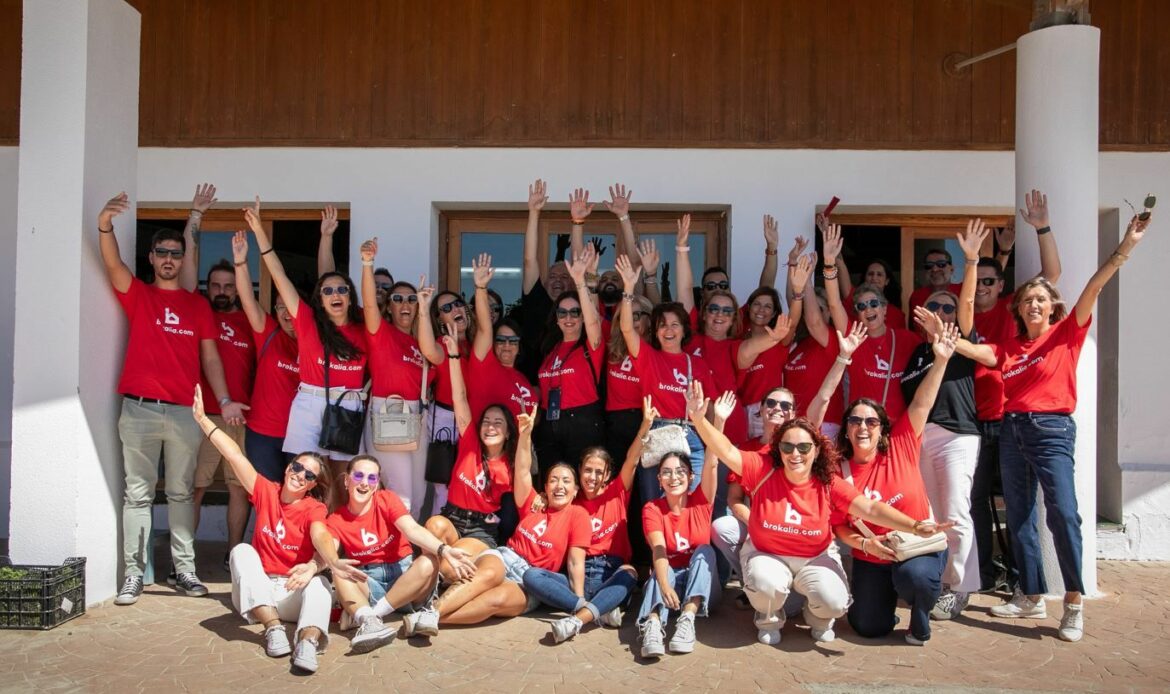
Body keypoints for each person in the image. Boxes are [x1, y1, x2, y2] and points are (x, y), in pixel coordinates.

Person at [955, 209, 1153, 643]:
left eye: (1041, 299)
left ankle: (1074, 603)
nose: (1034, 304)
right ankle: (1031, 595)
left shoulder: (1067, 333)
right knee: (1021, 516)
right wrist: (950, 334)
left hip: (1052, 430)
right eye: (1027, 300)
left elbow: (1094, 286)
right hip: (1012, 430)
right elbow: (975, 348)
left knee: (1064, 514)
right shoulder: (1008, 345)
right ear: (1020, 308)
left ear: (1052, 307)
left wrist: (1125, 247)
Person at [692, 380, 947, 646]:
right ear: (778, 449)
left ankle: (818, 618)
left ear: (816, 449)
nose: (795, 454)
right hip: (768, 554)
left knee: (834, 602)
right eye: (787, 447)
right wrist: (699, 420)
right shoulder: (763, 466)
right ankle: (769, 617)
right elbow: (726, 450)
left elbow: (870, 508)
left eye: (803, 448)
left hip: (814, 557)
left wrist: (915, 526)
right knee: (764, 585)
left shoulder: (828, 480)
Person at [98, 192, 246, 606]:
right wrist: (105, 224)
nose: (168, 258)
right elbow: (112, 264)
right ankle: (133, 574)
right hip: (139, 408)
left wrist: (225, 399)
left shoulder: (197, 305)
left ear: (182, 259)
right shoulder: (140, 295)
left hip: (184, 413)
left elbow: (211, 357)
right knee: (138, 495)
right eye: (161, 252)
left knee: (182, 493)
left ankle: (184, 570)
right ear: (152, 258)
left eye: (175, 253)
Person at [807, 320, 960, 646]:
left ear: (882, 428)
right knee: (867, 626)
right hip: (872, 556)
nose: (863, 427)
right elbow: (841, 527)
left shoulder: (903, 443)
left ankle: (920, 618)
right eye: (855, 421)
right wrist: (865, 545)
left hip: (917, 549)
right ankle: (885, 604)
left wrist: (942, 360)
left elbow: (921, 403)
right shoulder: (837, 470)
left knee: (914, 578)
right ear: (846, 428)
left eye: (871, 421)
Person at [192, 385, 336, 675]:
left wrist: (316, 565)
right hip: (257, 594)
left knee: (321, 586)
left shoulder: (313, 508)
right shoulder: (265, 491)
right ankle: (273, 630)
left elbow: (323, 535)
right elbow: (234, 455)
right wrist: (204, 420)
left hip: (292, 590)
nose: (299, 475)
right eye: (297, 467)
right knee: (242, 551)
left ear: (312, 486)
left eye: (309, 475)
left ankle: (307, 643)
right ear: (288, 467)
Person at [413, 403, 591, 630]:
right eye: (554, 480)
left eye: (566, 481)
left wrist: (578, 605)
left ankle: (428, 617)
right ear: (545, 487)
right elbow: (524, 469)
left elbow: (576, 561)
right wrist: (526, 434)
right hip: (506, 556)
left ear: (576, 490)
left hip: (530, 577)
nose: (559, 486)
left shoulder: (578, 515)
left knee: (494, 601)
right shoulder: (532, 505)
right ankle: (431, 612)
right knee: (485, 573)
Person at [963, 190, 1061, 592]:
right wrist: (972, 261)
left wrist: (1041, 227)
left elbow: (1050, 276)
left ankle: (1023, 581)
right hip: (973, 424)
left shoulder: (1010, 310)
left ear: (1001, 285)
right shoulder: (964, 311)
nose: (983, 287)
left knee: (1023, 508)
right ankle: (985, 577)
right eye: (977, 281)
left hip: (1011, 422)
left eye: (990, 281)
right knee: (975, 506)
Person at [245, 197, 368, 481]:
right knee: (304, 475)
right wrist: (259, 231)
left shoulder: (363, 324)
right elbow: (278, 275)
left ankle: (335, 527)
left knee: (341, 479)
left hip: (347, 404)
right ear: (318, 299)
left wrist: (335, 243)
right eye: (327, 292)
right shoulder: (308, 320)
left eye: (341, 290)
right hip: (309, 402)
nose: (334, 295)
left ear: (350, 296)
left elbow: (331, 277)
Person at [312, 455, 477, 653]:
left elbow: (411, 529)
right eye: (359, 476)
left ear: (376, 484)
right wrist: (315, 566)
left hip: (405, 578)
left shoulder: (386, 499)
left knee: (428, 562)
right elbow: (329, 549)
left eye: (372, 478)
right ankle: (369, 621)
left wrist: (445, 550)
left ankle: (373, 615)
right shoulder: (337, 518)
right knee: (340, 570)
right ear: (347, 480)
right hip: (369, 580)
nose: (365, 483)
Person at [524, 396, 655, 643]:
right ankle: (594, 610)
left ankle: (578, 618)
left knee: (630, 573)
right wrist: (543, 496)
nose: (592, 477)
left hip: (611, 571)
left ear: (607, 475)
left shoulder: (617, 492)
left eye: (598, 472)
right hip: (577, 573)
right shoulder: (571, 498)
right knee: (531, 575)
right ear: (580, 470)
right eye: (587, 470)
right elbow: (550, 495)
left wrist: (645, 424)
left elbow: (632, 459)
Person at [416, 333, 517, 622]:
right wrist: (453, 357)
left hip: (479, 530)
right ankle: (426, 596)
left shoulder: (509, 464)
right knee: (433, 524)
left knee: (450, 566)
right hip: (452, 518)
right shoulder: (470, 441)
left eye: (498, 422)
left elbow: (525, 483)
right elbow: (459, 397)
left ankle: (433, 608)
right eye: (487, 420)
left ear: (508, 431)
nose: (490, 426)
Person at [614, 254, 717, 505]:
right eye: (662, 325)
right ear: (655, 331)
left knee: (693, 503)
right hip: (657, 432)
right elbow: (627, 329)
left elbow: (710, 409)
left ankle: (688, 546)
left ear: (684, 330)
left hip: (692, 435)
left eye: (675, 325)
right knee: (654, 503)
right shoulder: (648, 357)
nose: (668, 330)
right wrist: (628, 288)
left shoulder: (697, 364)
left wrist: (713, 444)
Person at [635, 385, 720, 659]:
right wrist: (665, 583)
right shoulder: (652, 508)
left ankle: (687, 619)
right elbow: (658, 550)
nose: (674, 477)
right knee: (660, 572)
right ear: (658, 479)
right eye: (667, 473)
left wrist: (716, 420)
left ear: (691, 477)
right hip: (670, 579)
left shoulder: (701, 500)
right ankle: (654, 623)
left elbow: (712, 462)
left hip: (701, 583)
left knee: (705, 552)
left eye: (681, 471)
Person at [190, 259, 256, 565]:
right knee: (195, 487)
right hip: (204, 415)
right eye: (215, 285)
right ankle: (185, 558)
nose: (222, 291)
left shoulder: (249, 322)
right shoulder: (199, 317)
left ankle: (234, 555)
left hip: (242, 416)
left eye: (229, 286)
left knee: (237, 488)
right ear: (207, 286)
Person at [357, 238, 430, 512]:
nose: (404, 304)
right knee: (402, 496)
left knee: (420, 495)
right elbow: (368, 303)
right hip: (387, 412)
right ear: (389, 306)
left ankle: (407, 550)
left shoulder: (422, 341)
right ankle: (399, 554)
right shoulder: (381, 334)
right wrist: (367, 262)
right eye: (397, 299)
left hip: (418, 417)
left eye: (411, 299)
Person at [823, 223, 923, 423]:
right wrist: (829, 263)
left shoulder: (907, 339)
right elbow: (834, 304)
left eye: (874, 303)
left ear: (885, 308)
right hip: (862, 428)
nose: (868, 309)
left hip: (897, 428)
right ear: (857, 314)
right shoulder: (854, 338)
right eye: (861, 306)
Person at [231, 231, 300, 495]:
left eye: (289, 306)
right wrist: (240, 262)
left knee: (297, 497)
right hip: (262, 432)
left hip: (299, 435)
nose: (285, 313)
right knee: (266, 495)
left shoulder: (314, 340)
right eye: (279, 307)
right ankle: (266, 538)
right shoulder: (269, 333)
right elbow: (247, 299)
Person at [710, 387, 797, 589]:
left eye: (785, 405)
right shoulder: (746, 449)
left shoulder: (799, 447)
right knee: (721, 528)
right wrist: (756, 523)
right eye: (772, 403)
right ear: (761, 408)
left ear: (792, 414)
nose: (777, 408)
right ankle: (750, 584)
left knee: (790, 608)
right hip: (756, 522)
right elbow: (734, 498)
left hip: (791, 526)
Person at [535, 245, 606, 471]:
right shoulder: (550, 349)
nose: (568, 317)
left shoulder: (591, 345)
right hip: (550, 422)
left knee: (582, 482)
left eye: (575, 312)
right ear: (555, 318)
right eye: (562, 312)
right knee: (553, 482)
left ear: (582, 317)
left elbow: (594, 321)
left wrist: (580, 282)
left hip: (583, 422)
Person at [415, 279, 478, 519]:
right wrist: (422, 308)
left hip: (476, 419)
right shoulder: (443, 343)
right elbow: (429, 350)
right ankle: (439, 542)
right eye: (446, 309)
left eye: (457, 303)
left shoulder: (476, 343)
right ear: (440, 320)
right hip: (446, 420)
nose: (454, 310)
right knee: (445, 487)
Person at [737, 254, 808, 439]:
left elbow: (792, 323)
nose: (761, 310)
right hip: (739, 409)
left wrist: (798, 293)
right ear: (748, 307)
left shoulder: (779, 339)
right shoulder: (738, 333)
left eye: (768, 306)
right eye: (757, 304)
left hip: (769, 409)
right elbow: (765, 283)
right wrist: (772, 250)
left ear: (775, 312)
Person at [837, 257, 908, 329]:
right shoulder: (855, 301)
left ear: (886, 281)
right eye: (870, 274)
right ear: (865, 278)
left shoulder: (898, 315)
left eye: (879, 274)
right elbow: (840, 265)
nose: (874, 277)